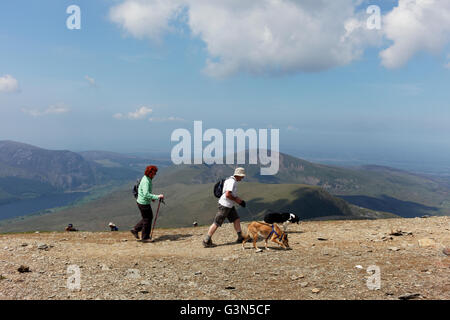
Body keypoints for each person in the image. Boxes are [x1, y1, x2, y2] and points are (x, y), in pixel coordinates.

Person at [203, 167, 247, 248]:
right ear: (238, 175)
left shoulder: (229, 180)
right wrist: (239, 201)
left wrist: (239, 201)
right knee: (217, 222)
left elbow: (230, 194)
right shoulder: (232, 182)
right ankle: (206, 240)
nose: (243, 178)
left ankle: (240, 237)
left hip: (229, 205)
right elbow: (228, 194)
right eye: (242, 176)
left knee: (236, 219)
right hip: (225, 205)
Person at [130, 165, 164, 243]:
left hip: (142, 202)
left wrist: (151, 198)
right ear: (150, 172)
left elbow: (145, 193)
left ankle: (135, 229)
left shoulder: (147, 178)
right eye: (154, 172)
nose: (155, 174)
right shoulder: (146, 181)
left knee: (147, 218)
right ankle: (145, 238)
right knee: (147, 219)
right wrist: (157, 196)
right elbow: (146, 194)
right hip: (143, 203)